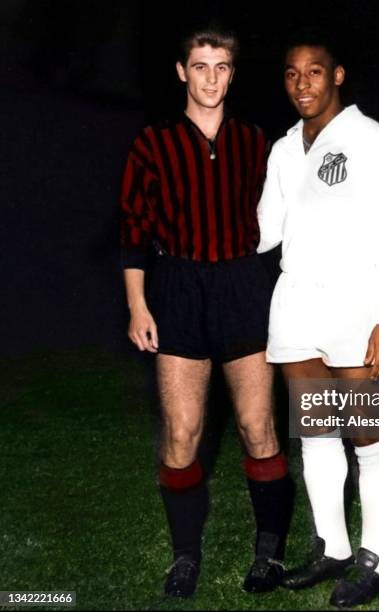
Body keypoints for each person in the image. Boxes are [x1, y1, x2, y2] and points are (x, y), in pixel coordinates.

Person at [119, 26, 293, 599]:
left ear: (233, 74)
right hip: (177, 287)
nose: (211, 78)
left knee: (257, 426)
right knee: (182, 433)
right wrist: (138, 305)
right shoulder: (153, 143)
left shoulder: (255, 143)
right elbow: (133, 234)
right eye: (200, 66)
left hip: (243, 284)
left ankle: (268, 552)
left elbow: (285, 222)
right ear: (181, 72)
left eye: (221, 67)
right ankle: (185, 556)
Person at [257, 33, 379, 607]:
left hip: (356, 300)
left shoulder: (374, 140)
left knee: (367, 431)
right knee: (316, 430)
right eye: (292, 74)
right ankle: (334, 549)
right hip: (296, 298)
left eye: (314, 73)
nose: (302, 84)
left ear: (337, 75)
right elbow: (265, 232)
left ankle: (374, 561)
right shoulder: (281, 148)